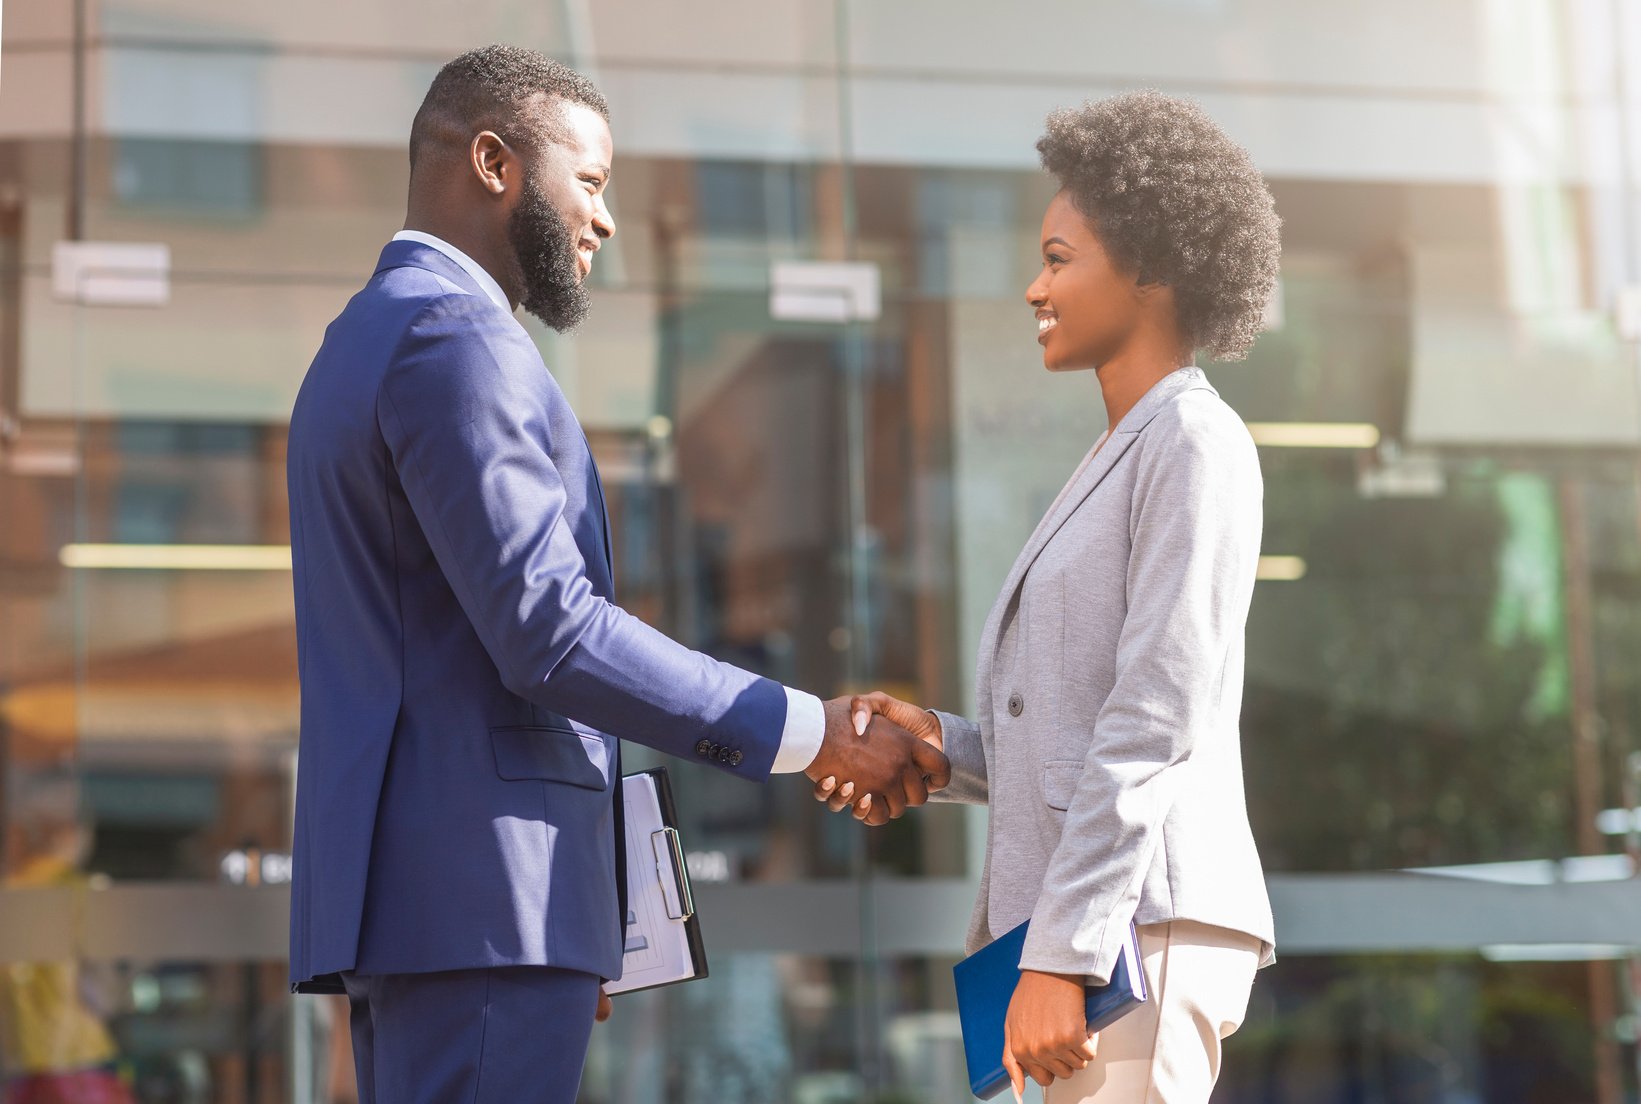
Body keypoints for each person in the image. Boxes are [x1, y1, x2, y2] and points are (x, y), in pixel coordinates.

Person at [284, 44, 948, 1104]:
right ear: (495, 161)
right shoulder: (452, 337)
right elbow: (549, 628)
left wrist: (579, 901)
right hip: (487, 906)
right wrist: (812, 730)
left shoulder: (361, 339)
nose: (602, 222)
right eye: (588, 182)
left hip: (464, 908)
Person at [818, 91, 1280, 1102]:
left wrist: (1065, 952)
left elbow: (1155, 718)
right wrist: (942, 746)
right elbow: (1072, 726)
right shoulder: (1122, 452)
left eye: (1061, 258)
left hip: (1132, 938)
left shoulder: (1194, 443)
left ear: (1150, 266)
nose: (1035, 286)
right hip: (1093, 933)